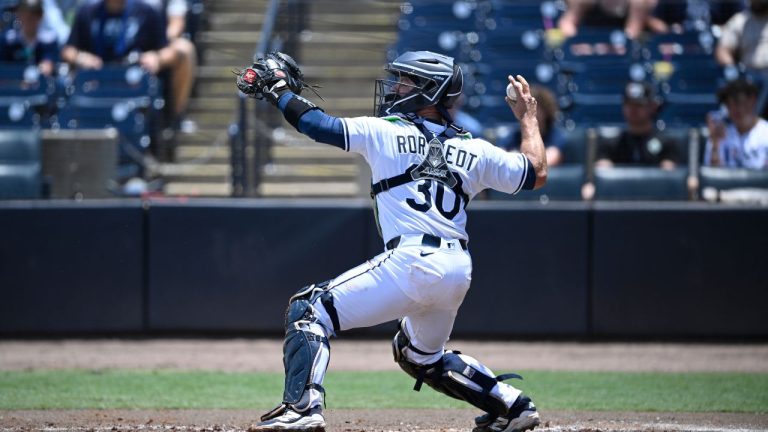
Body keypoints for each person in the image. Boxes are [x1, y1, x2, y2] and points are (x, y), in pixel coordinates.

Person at [236, 51, 547, 432]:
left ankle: (302, 408)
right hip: (457, 270)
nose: (396, 88)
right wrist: (528, 116)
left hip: (412, 260)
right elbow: (537, 173)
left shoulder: (388, 130)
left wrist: (280, 90)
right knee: (419, 355)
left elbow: (316, 124)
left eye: (406, 82)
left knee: (308, 309)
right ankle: (512, 406)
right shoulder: (476, 149)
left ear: (430, 91)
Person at [60, 0, 175, 75]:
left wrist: (156, 57)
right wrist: (81, 58)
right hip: (95, 78)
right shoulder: (87, 11)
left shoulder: (147, 12)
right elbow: (68, 50)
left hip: (133, 77)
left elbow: (167, 51)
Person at [595, 81, 679, 169]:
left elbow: (669, 177)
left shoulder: (667, 143)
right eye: (629, 104)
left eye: (639, 105)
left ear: (652, 106)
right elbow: (602, 171)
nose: (633, 109)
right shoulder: (612, 144)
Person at [144, 0, 197, 130]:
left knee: (185, 49)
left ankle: (174, 115)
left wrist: (157, 40)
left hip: (159, 48)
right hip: (125, 47)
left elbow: (177, 24)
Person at [705, 79, 768, 169]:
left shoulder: (766, 133)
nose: (735, 109)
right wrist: (715, 143)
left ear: (752, 100)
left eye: (738, 102)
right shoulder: (720, 134)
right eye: (729, 104)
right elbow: (713, 175)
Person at [506, 85, 566, 167]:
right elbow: (501, 160)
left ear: (545, 110)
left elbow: (544, 163)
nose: (527, 110)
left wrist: (516, 157)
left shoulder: (555, 135)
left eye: (531, 105)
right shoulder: (514, 135)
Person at [0, 0, 59, 76]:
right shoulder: (8, 41)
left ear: (41, 16)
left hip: (40, 85)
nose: (29, 18)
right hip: (12, 85)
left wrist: (44, 68)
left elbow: (48, 64)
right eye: (25, 14)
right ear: (19, 15)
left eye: (34, 14)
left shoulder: (49, 41)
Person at [558, 0, 668, 39]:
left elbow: (631, 35)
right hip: (590, 47)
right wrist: (579, 44)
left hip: (621, 52)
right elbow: (566, 24)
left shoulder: (639, 3)